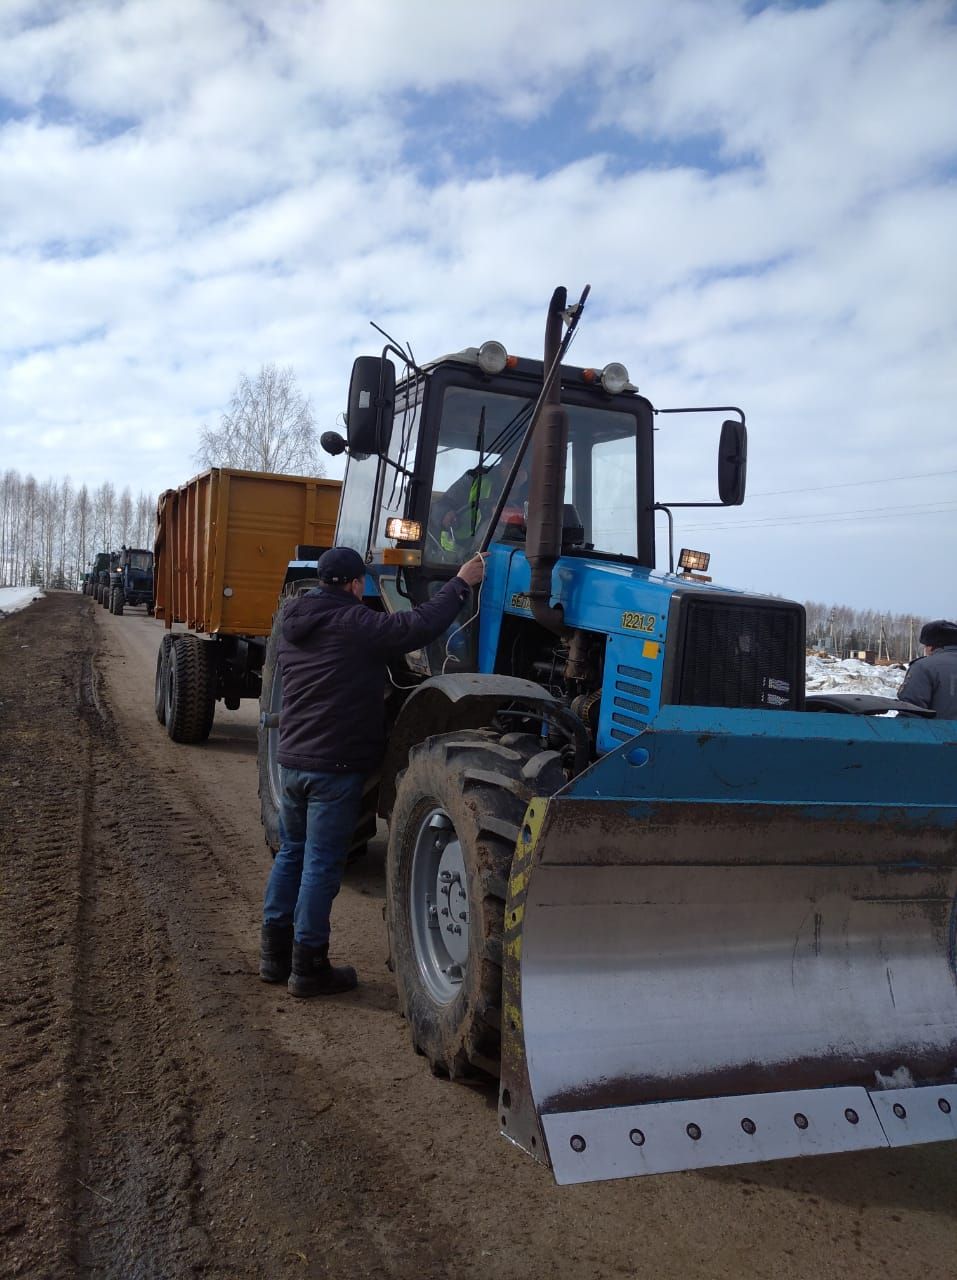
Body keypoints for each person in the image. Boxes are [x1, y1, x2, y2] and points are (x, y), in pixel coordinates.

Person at [260, 544, 487, 997]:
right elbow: (417, 625)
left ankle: (273, 956)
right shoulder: (354, 623)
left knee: (291, 854)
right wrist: (461, 583)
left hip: (294, 762)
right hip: (334, 765)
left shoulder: (292, 623)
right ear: (353, 584)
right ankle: (309, 966)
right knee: (322, 863)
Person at [436, 460, 530, 556]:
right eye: (510, 466)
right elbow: (441, 505)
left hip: (514, 556)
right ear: (501, 466)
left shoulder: (538, 492)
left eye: (521, 469)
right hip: (459, 553)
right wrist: (445, 513)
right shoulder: (476, 478)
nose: (515, 472)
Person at [896, 619, 957, 719]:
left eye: (925, 646)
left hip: (938, 733)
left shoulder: (924, 667)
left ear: (931, 646)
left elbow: (911, 711)